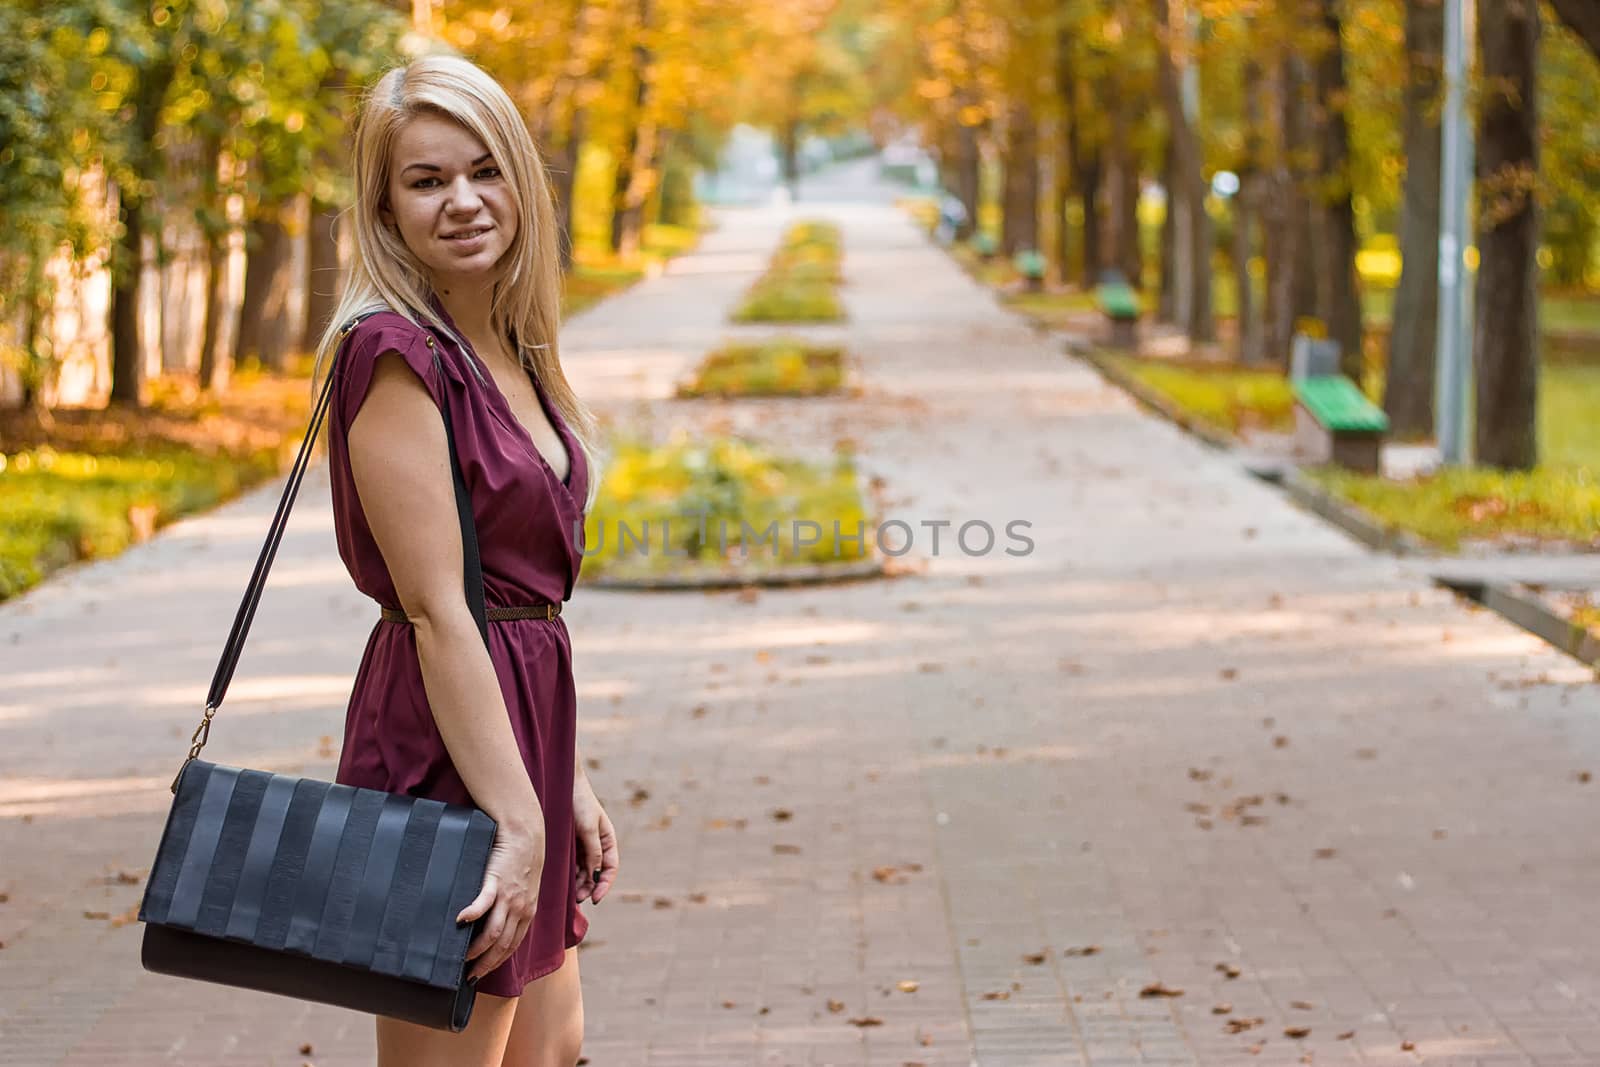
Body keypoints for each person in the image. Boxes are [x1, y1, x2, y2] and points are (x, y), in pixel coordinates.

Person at [310, 54, 618, 1067]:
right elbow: (443, 610)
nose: (464, 201)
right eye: (427, 179)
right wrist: (517, 819)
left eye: (484, 170)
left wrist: (559, 777)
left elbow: (523, 602)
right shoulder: (393, 353)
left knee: (549, 1052)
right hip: (446, 755)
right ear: (385, 208)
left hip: (517, 743)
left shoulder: (511, 345)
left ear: (521, 180)